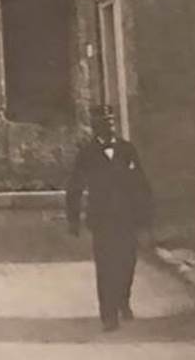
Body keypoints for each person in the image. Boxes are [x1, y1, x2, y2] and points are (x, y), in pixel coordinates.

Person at [66, 105, 153, 331]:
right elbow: (75, 186)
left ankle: (123, 299)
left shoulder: (127, 150)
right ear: (95, 126)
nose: (109, 125)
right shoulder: (86, 154)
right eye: (103, 122)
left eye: (111, 121)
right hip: (102, 219)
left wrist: (144, 218)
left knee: (127, 262)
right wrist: (73, 218)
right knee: (105, 265)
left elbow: (141, 185)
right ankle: (108, 314)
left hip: (127, 218)